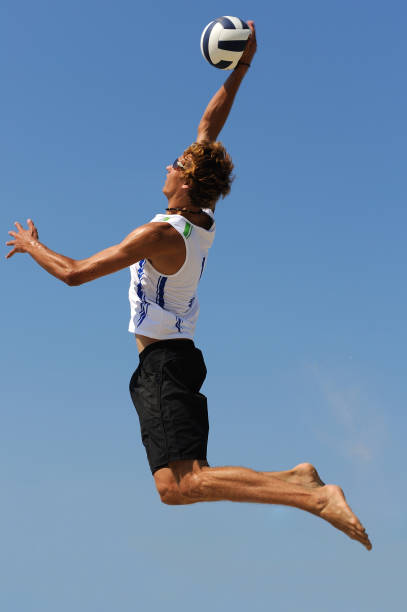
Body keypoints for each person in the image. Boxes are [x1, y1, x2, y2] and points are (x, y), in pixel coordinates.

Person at [5, 22, 372, 550]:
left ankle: (309, 493)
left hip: (163, 367)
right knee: (179, 485)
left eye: (175, 164)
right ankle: (301, 485)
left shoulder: (160, 234)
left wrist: (33, 244)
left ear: (185, 181)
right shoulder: (199, 219)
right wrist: (242, 66)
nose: (168, 164)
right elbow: (209, 123)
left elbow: (75, 273)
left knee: (182, 484)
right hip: (177, 360)